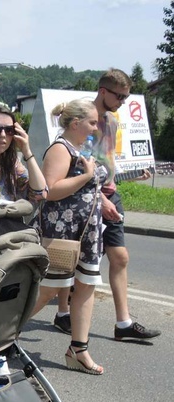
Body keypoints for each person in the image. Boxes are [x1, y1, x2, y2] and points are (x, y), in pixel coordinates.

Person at [52, 69, 160, 341]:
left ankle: (123, 323)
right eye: (119, 96)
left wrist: (130, 175)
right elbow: (79, 169)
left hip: (110, 192)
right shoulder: (85, 120)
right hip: (88, 197)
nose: (123, 101)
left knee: (120, 257)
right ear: (103, 91)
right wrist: (99, 199)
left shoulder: (112, 120)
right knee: (73, 259)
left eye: (126, 96)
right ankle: (63, 313)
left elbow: (107, 160)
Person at [29, 99, 107, 375]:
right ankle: (2, 332)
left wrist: (102, 200)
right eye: (92, 122)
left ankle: (79, 348)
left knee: (86, 286)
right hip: (62, 232)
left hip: (85, 232)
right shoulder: (60, 149)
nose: (96, 128)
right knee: (49, 288)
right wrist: (86, 176)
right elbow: (50, 190)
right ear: (76, 123)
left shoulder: (78, 148)